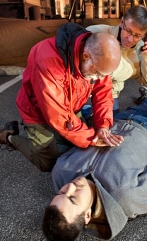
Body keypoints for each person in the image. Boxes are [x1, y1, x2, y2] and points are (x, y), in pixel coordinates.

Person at [42, 87, 147, 241]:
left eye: (61, 192)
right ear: (87, 216)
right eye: (73, 199)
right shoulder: (125, 196)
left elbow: (75, 142)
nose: (69, 187)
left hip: (114, 124)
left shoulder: (61, 171)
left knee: (139, 107)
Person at [0, 23, 123, 172]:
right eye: (97, 74)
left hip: (68, 106)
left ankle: (55, 139)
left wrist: (103, 126)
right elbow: (58, 116)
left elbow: (103, 93)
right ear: (85, 56)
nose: (98, 79)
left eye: (103, 75)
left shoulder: (98, 59)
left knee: (76, 144)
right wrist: (92, 138)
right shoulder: (47, 61)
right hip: (36, 110)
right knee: (48, 163)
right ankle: (9, 137)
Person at [83, 5, 147, 116]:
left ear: (145, 35)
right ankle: (86, 109)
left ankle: (146, 99)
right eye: (128, 31)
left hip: (109, 96)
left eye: (137, 35)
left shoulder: (141, 50)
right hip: (83, 93)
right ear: (122, 22)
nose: (130, 39)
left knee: (112, 125)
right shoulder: (96, 33)